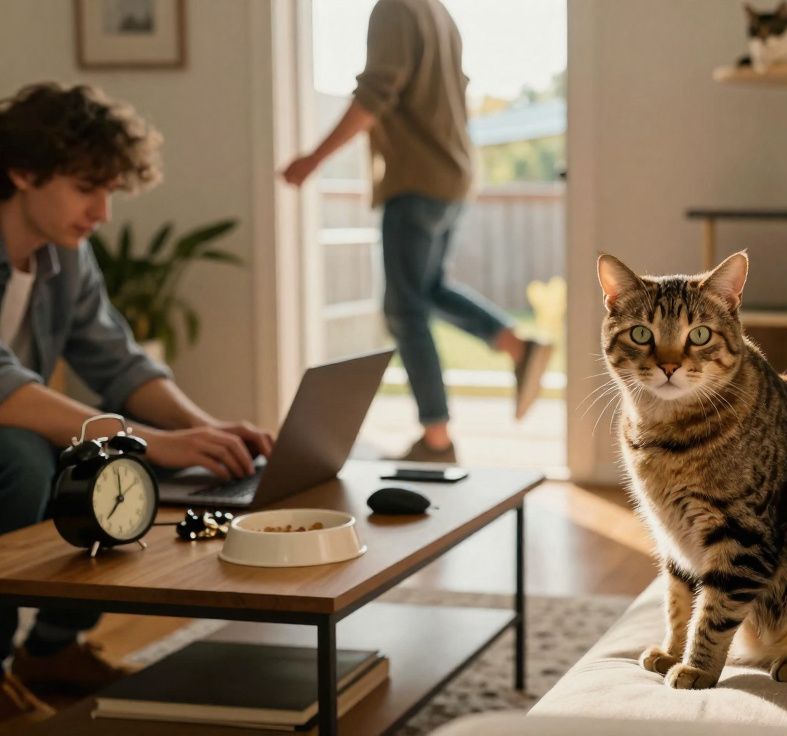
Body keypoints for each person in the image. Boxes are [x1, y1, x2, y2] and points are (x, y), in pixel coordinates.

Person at [0, 82, 274, 723]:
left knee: (121, 464)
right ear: (22, 169)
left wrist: (206, 431)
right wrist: (152, 437)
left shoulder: (67, 258)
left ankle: (51, 648)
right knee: (21, 460)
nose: (102, 212)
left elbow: (119, 362)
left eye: (110, 192)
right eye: (85, 188)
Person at [282, 0, 552, 464]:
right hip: (452, 174)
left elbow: (374, 95)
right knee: (428, 290)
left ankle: (436, 438)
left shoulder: (394, 9)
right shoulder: (436, 11)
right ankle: (514, 345)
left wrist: (313, 158)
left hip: (416, 179)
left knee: (404, 309)